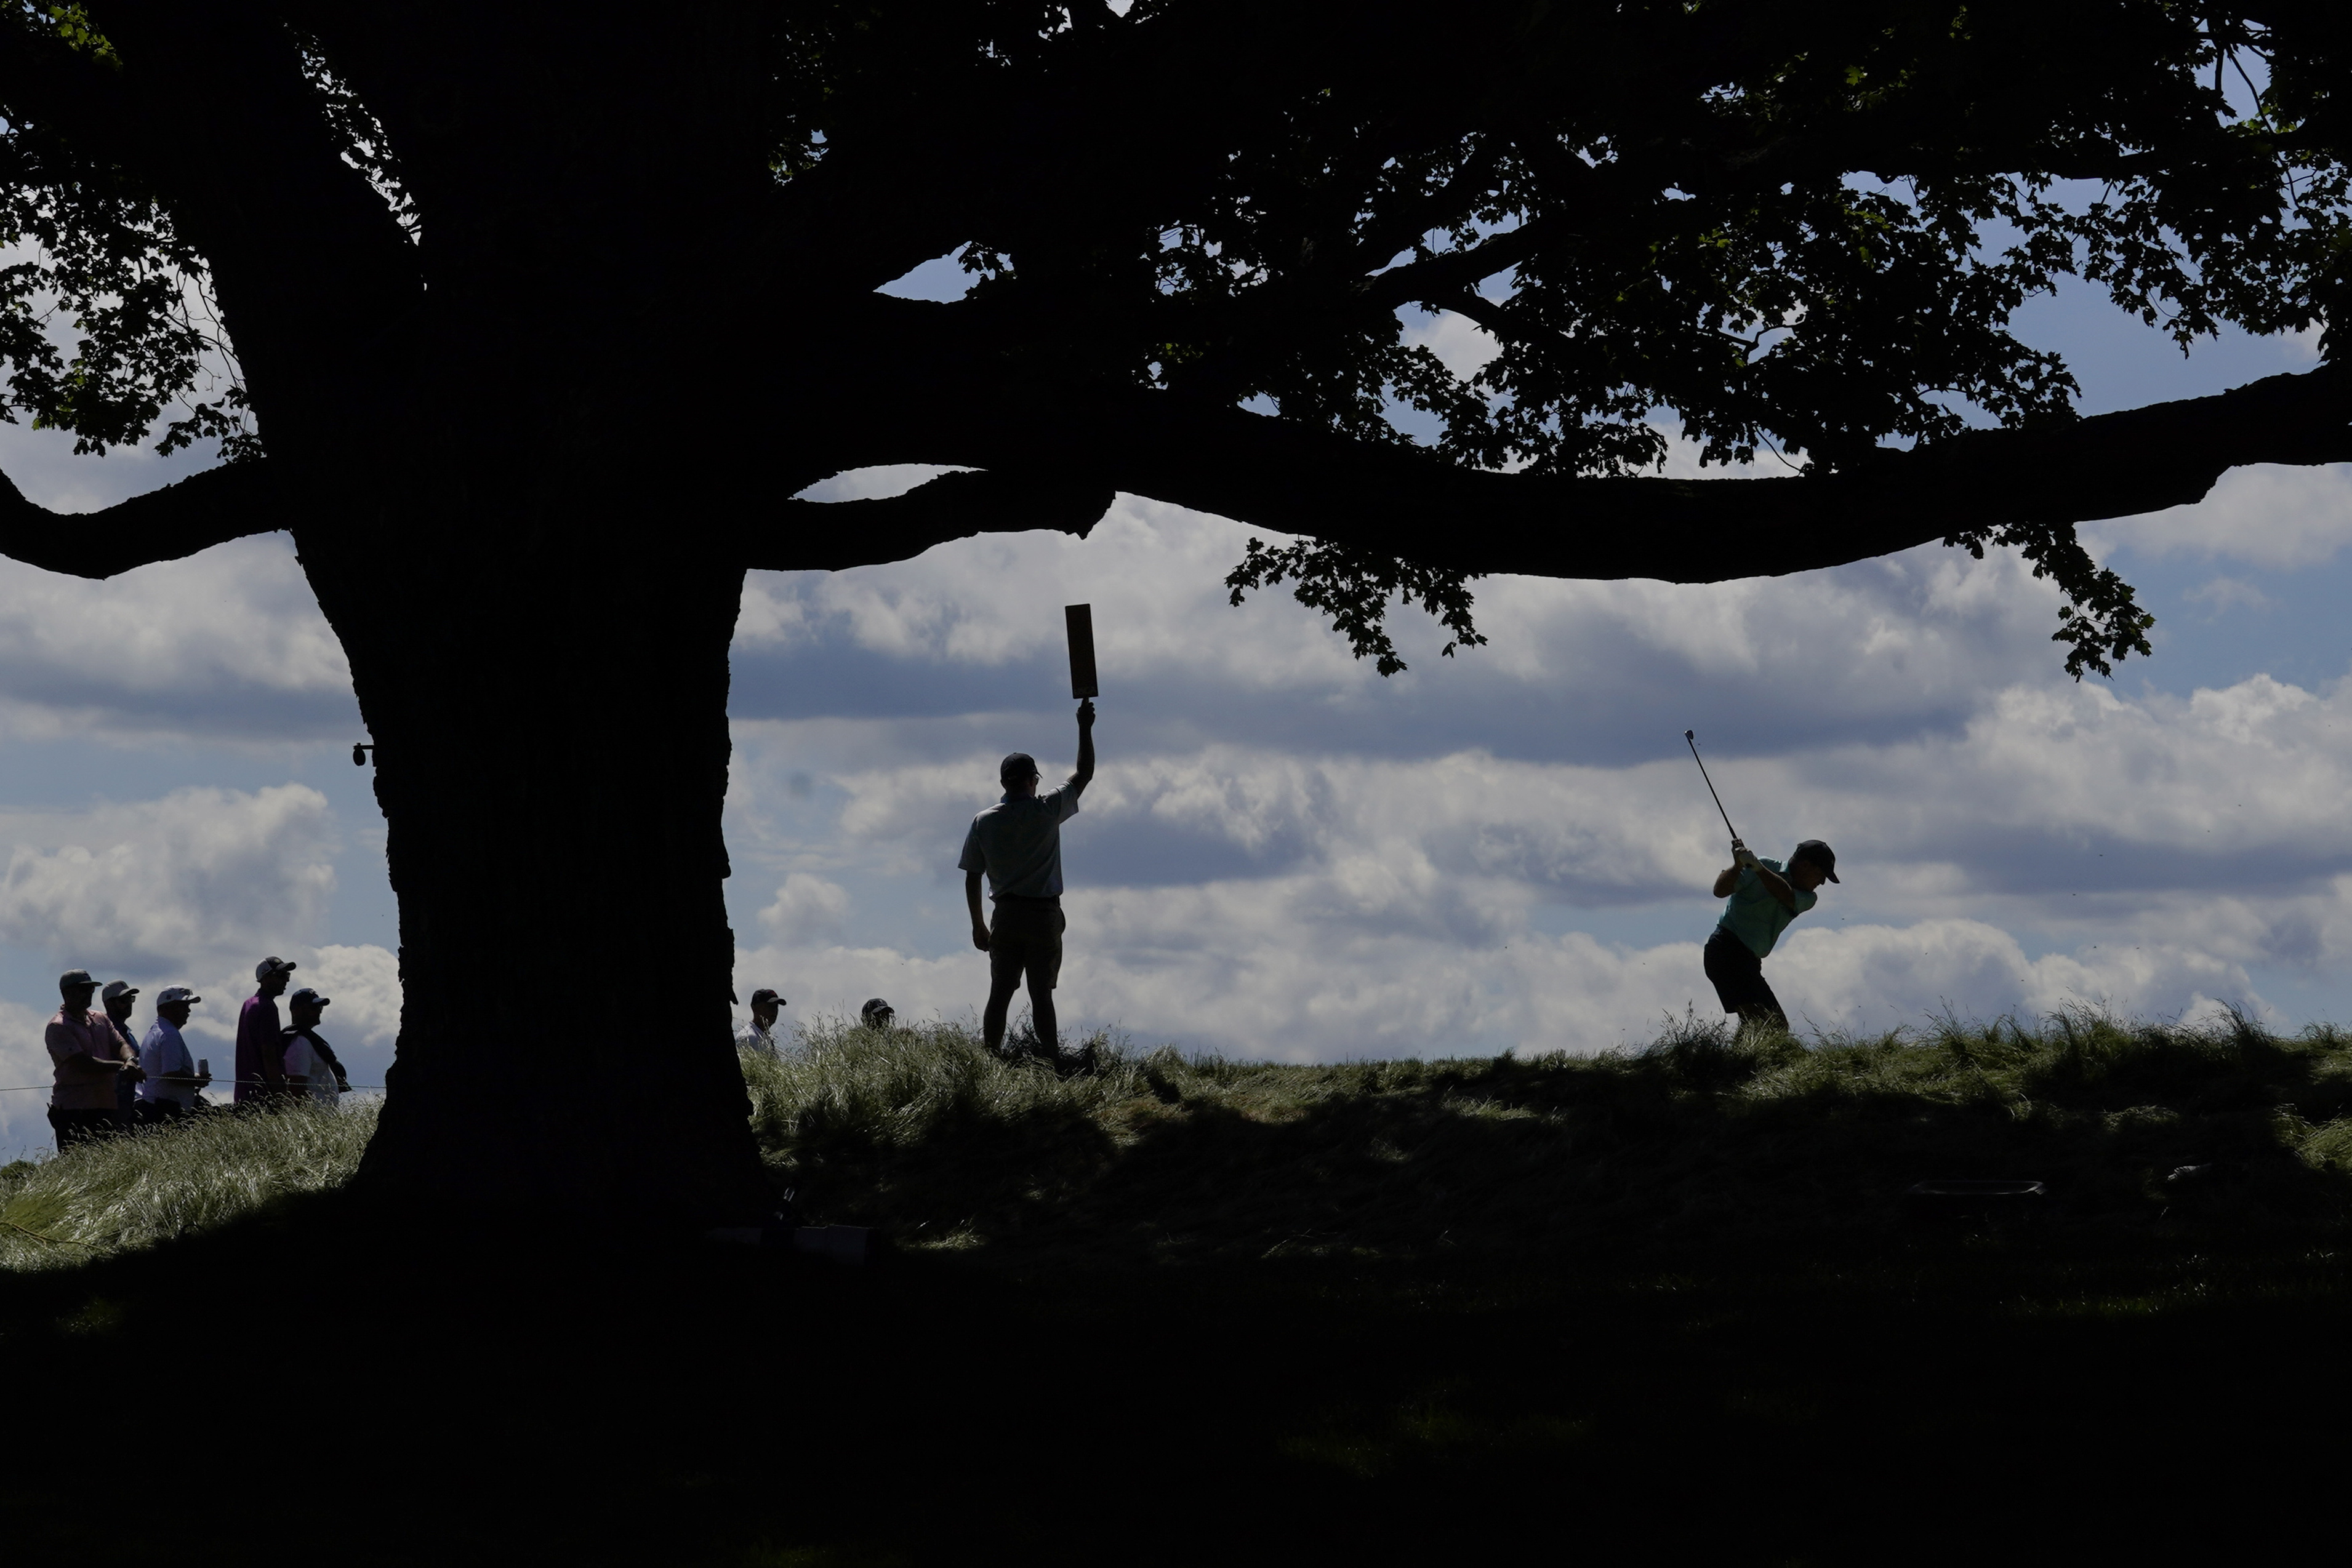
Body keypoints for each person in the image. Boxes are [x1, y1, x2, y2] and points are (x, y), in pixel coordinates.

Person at [960, 697, 1095, 1060]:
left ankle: (989, 1060)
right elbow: (1083, 774)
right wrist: (1085, 727)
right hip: (1044, 915)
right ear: (1034, 780)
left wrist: (977, 925)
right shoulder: (1048, 809)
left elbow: (973, 876)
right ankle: (1051, 1062)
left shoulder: (984, 821)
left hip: (1004, 914)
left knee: (1000, 993)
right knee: (1041, 995)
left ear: (1004, 782)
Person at [1705, 837, 1839, 1032]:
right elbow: (1719, 891)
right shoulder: (1762, 865)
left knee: (1776, 1027)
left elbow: (1785, 894)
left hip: (1748, 961)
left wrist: (1758, 868)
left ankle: (1733, 1062)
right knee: (1762, 1023)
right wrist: (1737, 866)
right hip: (1725, 951)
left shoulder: (1808, 898)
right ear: (1805, 866)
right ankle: (1733, 1062)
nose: (1822, 882)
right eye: (1821, 874)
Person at [46, 969, 135, 1148]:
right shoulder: (58, 1027)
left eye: (91, 990)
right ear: (67, 993)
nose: (89, 994)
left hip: (106, 1105)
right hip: (73, 1110)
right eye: (83, 990)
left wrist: (130, 1061)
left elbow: (120, 1044)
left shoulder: (100, 1018)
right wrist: (123, 1066)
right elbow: (83, 1064)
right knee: (78, 1165)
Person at [137, 985, 211, 1123]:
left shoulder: (155, 1031)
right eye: (183, 1006)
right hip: (166, 1109)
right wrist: (197, 1081)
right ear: (167, 1008)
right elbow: (171, 1074)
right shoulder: (170, 1035)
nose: (188, 1011)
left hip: (155, 1105)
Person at [236, 956, 296, 1106]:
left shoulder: (249, 1004)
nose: (286, 980)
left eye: (287, 976)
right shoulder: (267, 1007)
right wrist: (281, 1095)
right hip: (264, 1097)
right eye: (281, 975)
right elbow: (269, 1055)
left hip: (245, 1094)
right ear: (265, 978)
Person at [279, 987, 345, 1105]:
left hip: (322, 1118)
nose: (319, 1011)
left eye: (320, 1007)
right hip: (312, 1118)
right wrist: (308, 1117)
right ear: (296, 1010)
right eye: (314, 1007)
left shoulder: (309, 1040)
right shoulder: (300, 1043)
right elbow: (296, 1088)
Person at [100, 980, 145, 1121]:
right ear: (109, 1004)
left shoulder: (126, 1032)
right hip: (113, 1099)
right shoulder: (107, 1031)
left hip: (129, 1097)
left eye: (131, 999)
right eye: (123, 1000)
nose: (129, 1004)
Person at [736, 988, 785, 1055]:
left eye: (776, 1006)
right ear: (755, 1008)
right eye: (770, 1006)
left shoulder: (765, 1036)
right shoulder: (749, 1037)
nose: (774, 1010)